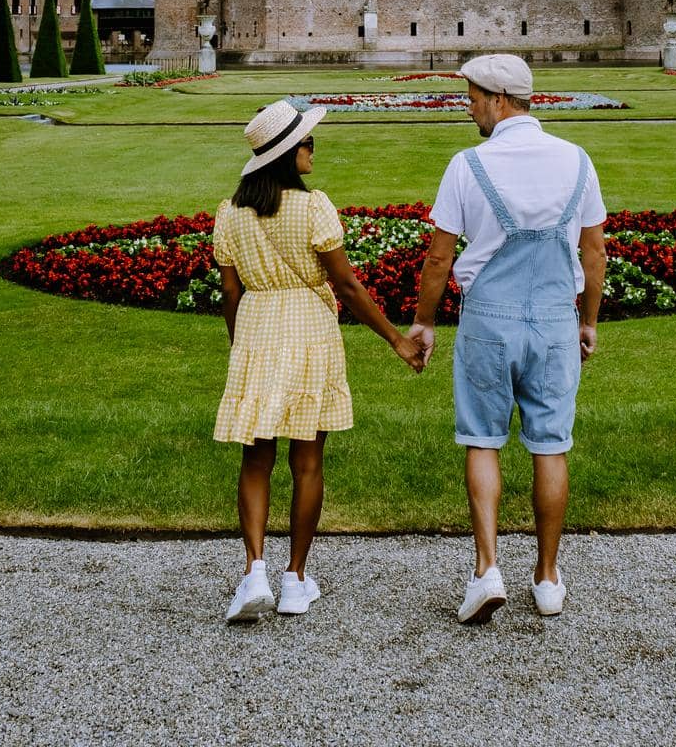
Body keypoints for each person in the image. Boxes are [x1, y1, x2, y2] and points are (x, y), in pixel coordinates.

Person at [409, 54, 607, 623]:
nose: (468, 108)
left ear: (498, 100)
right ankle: (547, 578)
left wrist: (425, 322)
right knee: (550, 445)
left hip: (488, 320)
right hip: (552, 319)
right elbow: (593, 252)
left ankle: (487, 568)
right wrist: (587, 321)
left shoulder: (468, 165)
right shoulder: (576, 160)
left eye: (471, 98)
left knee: (483, 440)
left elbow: (440, 257)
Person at [214, 98, 426, 621]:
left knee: (255, 458)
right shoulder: (314, 208)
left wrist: (239, 343)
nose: (313, 148)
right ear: (289, 153)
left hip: (257, 331)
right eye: (308, 142)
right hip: (309, 329)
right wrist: (397, 341)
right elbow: (348, 287)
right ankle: (295, 579)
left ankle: (253, 571)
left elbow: (229, 293)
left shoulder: (230, 213)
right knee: (307, 461)